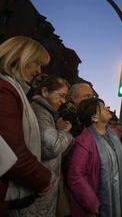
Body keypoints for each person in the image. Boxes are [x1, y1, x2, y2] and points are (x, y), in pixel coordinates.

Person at [0, 36, 51, 214]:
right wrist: (43, 179)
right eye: (37, 63)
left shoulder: (13, 89)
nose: (39, 71)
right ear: (20, 56)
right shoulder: (4, 90)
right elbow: (11, 150)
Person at [16, 74, 74, 216]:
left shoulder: (48, 113)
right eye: (61, 95)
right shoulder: (40, 112)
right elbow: (51, 147)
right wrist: (65, 132)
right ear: (45, 92)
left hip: (42, 194)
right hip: (36, 194)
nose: (63, 101)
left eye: (65, 96)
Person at [67, 98, 122, 217]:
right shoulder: (84, 141)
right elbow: (75, 176)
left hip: (117, 197)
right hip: (98, 204)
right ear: (94, 117)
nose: (107, 108)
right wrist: (92, 203)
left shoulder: (114, 135)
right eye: (102, 107)